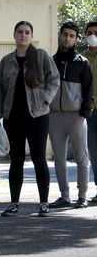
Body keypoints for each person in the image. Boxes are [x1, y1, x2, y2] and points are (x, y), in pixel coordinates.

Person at [0, 21, 60, 217]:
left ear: (31, 36)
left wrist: (45, 99)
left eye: (27, 32)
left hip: (37, 116)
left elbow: (54, 79)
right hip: (13, 117)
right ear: (14, 35)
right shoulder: (6, 61)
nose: (23, 35)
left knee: (39, 159)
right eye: (20, 32)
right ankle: (14, 204)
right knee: (16, 160)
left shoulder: (41, 57)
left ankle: (44, 203)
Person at [48, 22, 93, 209]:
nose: (67, 38)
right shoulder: (51, 62)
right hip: (55, 116)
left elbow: (89, 90)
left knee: (81, 158)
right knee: (59, 159)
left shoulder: (83, 63)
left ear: (76, 39)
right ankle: (64, 196)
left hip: (76, 117)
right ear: (60, 35)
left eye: (71, 36)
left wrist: (83, 115)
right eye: (65, 34)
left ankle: (82, 196)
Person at [81, 20, 97, 203]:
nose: (93, 35)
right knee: (93, 151)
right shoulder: (82, 58)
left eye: (96, 32)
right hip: (90, 112)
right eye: (90, 32)